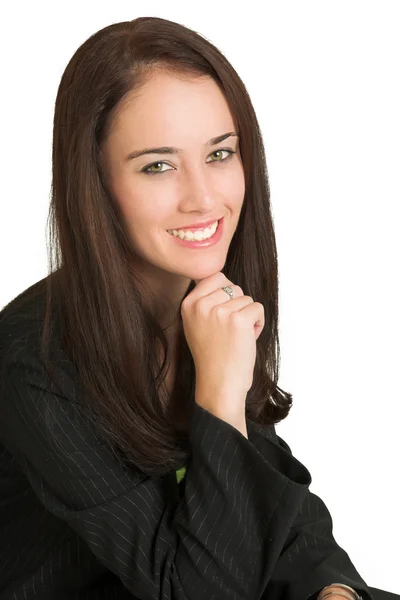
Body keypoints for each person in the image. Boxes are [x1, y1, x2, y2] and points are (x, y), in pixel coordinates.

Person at [0, 16, 380, 600]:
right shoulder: (36, 361)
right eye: (159, 165)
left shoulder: (197, 307)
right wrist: (220, 393)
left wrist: (334, 589)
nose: (205, 198)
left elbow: (275, 504)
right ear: (94, 182)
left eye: (221, 154)